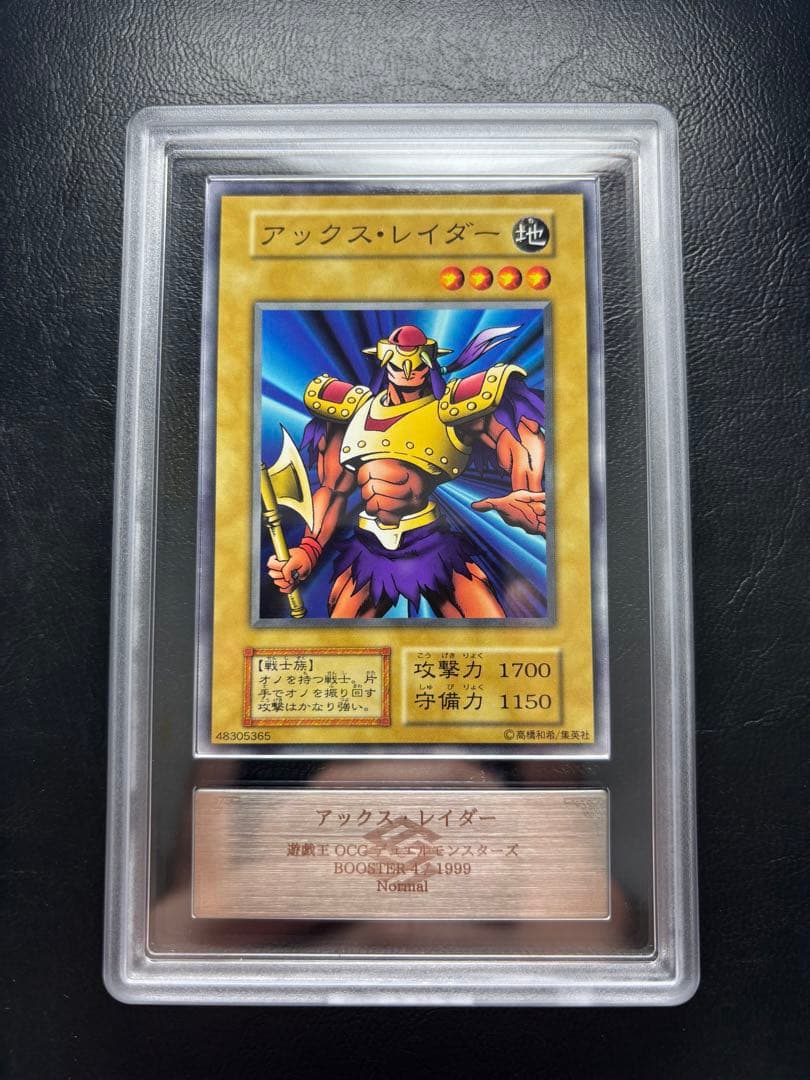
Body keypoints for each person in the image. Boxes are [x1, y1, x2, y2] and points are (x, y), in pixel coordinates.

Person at [267, 323, 546, 617]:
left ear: (430, 362)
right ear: (384, 359)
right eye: (399, 362)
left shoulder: (450, 406)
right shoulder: (352, 411)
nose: (408, 370)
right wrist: (308, 550)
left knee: (489, 625)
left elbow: (519, 438)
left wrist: (526, 491)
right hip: (369, 547)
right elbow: (333, 491)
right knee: (340, 637)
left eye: (417, 363)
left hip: (430, 542)